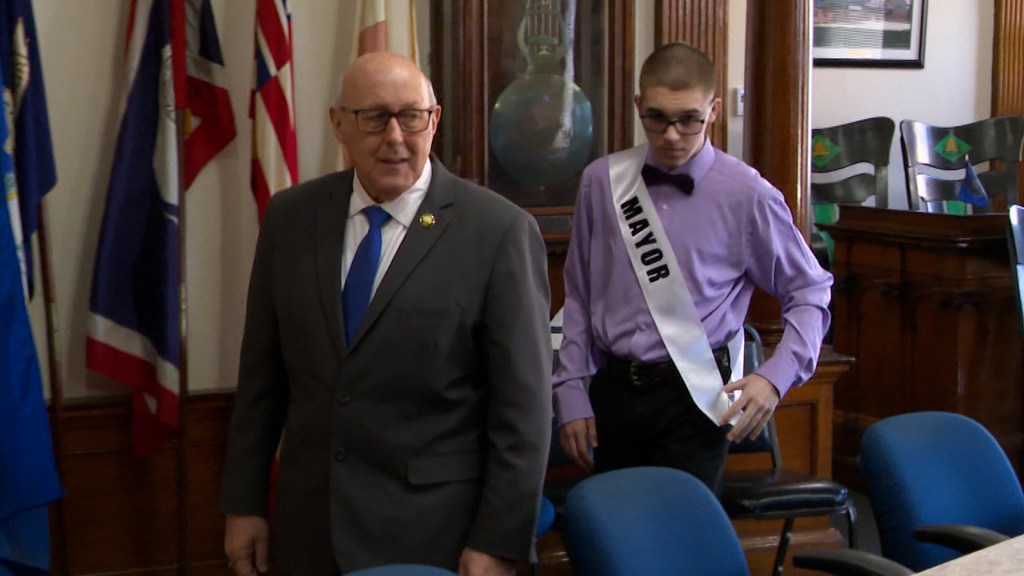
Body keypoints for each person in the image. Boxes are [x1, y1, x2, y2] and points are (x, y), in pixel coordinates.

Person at [220, 52, 553, 576]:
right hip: (310, 530)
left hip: (435, 535)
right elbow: (261, 381)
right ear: (339, 124)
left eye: (411, 116)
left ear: (434, 120)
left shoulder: (497, 231)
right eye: (374, 118)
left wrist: (499, 541)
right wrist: (244, 504)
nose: (395, 137)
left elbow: (524, 412)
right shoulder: (290, 218)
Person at [552, 42, 832, 493]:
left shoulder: (748, 194)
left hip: (696, 399)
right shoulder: (602, 181)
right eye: (657, 118)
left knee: (677, 542)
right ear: (638, 106)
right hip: (613, 393)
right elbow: (580, 293)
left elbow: (811, 291)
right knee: (610, 540)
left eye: (689, 120)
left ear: (714, 110)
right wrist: (568, 390)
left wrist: (775, 378)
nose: (672, 135)